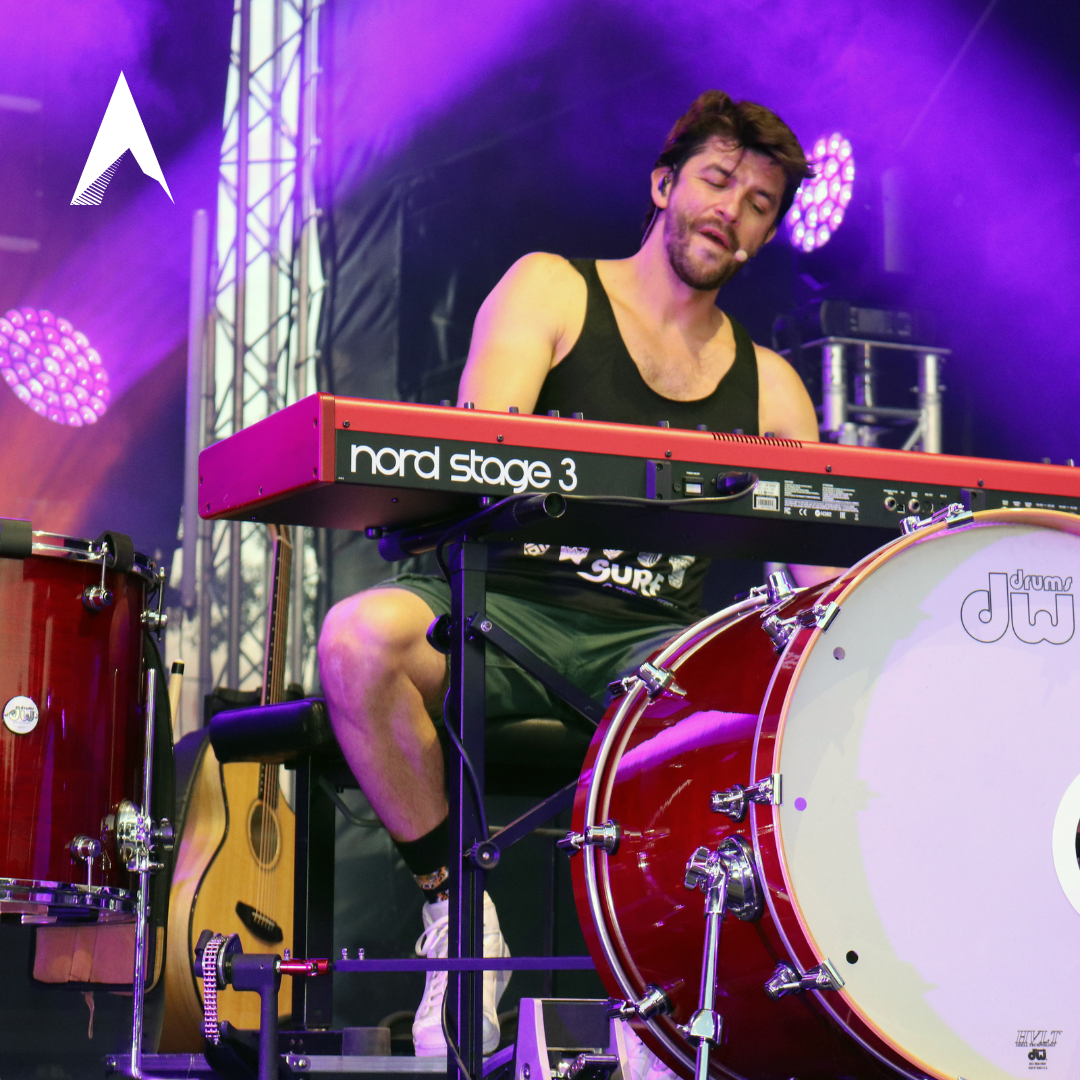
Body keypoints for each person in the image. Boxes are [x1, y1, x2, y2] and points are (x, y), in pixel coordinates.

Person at [318, 89, 823, 1058]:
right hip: (503, 612)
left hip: (655, 653)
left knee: (803, 702)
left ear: (765, 236)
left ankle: (696, 992)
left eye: (758, 203)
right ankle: (457, 915)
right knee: (356, 639)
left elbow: (818, 593)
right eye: (717, 180)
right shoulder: (553, 289)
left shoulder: (772, 388)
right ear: (664, 185)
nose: (730, 209)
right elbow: (485, 457)